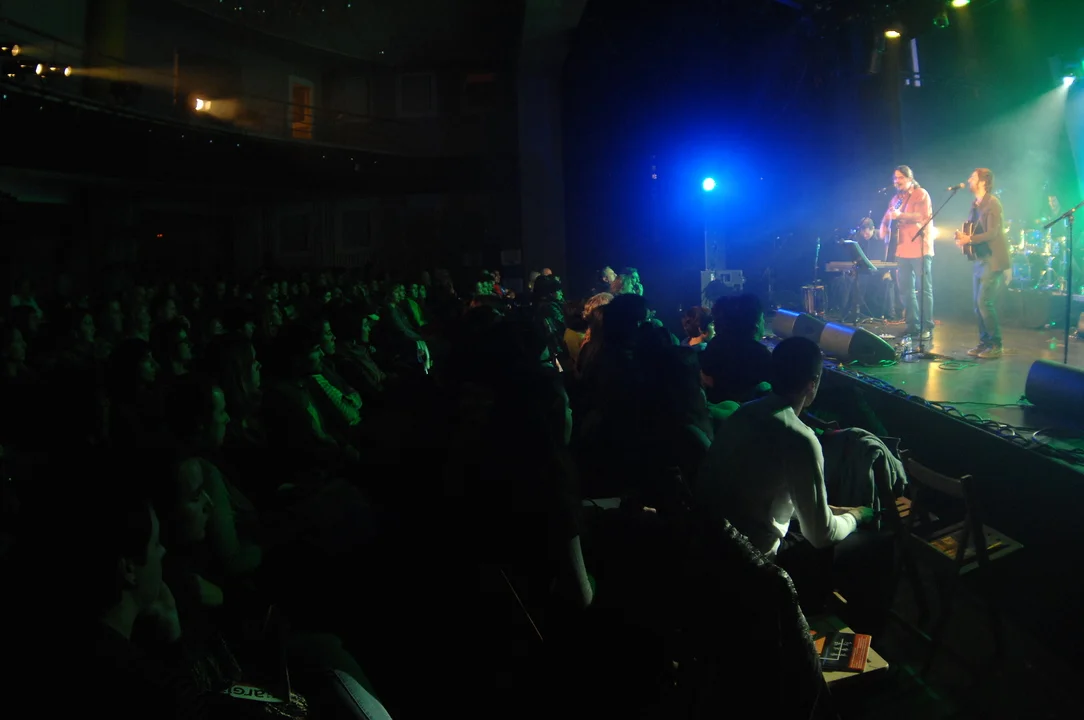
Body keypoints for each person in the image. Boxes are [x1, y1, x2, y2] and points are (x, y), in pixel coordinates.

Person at [955, 168, 1010, 359]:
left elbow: (992, 233)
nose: (969, 179)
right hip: (980, 259)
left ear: (983, 182)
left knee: (984, 302)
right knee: (977, 305)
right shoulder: (975, 204)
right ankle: (984, 342)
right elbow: (972, 229)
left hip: (992, 259)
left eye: (973, 177)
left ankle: (996, 344)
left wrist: (969, 239)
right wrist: (962, 237)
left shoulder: (992, 203)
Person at [880, 165, 933, 340]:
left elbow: (921, 216)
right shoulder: (896, 199)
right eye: (895, 178)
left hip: (920, 248)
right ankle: (912, 326)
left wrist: (900, 215)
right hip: (901, 250)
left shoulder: (920, 194)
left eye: (901, 177)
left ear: (910, 179)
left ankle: (926, 326)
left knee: (924, 290)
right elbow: (888, 216)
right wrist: (884, 226)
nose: (897, 181)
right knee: (905, 291)